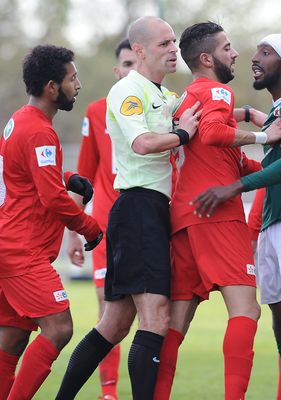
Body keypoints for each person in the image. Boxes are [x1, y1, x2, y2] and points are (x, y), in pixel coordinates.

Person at [56, 16, 201, 400]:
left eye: (174, 42)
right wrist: (182, 132)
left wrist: (257, 124)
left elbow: (204, 114)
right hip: (138, 209)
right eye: (164, 43)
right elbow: (142, 143)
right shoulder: (129, 91)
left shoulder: (161, 94)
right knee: (156, 319)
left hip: (146, 210)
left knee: (115, 324)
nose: (174, 49)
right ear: (139, 52)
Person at [152, 21, 281, 400]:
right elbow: (212, 133)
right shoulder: (217, 92)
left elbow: (232, 161)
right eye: (228, 47)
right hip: (217, 215)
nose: (236, 53)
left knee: (177, 322)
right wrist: (267, 135)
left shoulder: (188, 97)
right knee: (247, 311)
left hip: (184, 219)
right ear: (208, 58)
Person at [193, 32, 281, 390]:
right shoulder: (277, 110)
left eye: (265, 53)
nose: (254, 58)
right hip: (275, 225)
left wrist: (235, 186)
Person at [0, 44, 102, 400]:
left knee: (11, 341)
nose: (79, 84)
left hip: (12, 247)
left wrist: (68, 175)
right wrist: (89, 227)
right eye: (73, 79)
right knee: (59, 328)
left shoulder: (19, 121)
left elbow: (26, 179)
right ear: (51, 87)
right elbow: (51, 199)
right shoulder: (40, 131)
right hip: (22, 251)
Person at [65, 38, 137, 400]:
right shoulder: (96, 111)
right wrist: (73, 232)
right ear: (116, 70)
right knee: (108, 312)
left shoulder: (162, 107)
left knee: (157, 316)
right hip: (107, 230)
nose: (132, 71)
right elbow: (84, 175)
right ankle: (108, 393)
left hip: (151, 227)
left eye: (137, 64)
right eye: (126, 64)